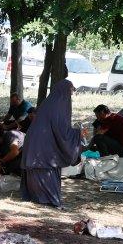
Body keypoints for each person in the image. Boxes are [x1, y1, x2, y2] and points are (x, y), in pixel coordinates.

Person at [20, 79, 81, 208]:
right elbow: (61, 129)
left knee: (40, 171)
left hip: (37, 142)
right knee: (46, 170)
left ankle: (39, 197)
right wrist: (77, 133)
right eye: (70, 91)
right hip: (44, 146)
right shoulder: (59, 104)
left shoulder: (49, 102)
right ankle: (47, 199)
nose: (71, 95)